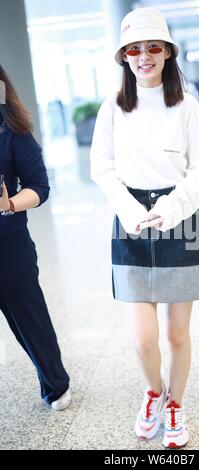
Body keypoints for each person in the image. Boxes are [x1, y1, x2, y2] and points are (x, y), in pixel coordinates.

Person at [90, 7, 199, 449]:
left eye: (153, 47)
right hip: (130, 223)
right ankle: (153, 393)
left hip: (180, 219)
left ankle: (176, 405)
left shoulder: (187, 105)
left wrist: (172, 207)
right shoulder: (113, 107)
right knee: (144, 340)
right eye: (135, 49)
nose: (144, 56)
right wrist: (130, 210)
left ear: (167, 53)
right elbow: (102, 170)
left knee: (176, 333)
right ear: (124, 56)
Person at [0, 64, 71, 411]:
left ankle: (55, 383)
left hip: (8, 246)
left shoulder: (13, 132)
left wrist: (9, 203)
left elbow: (39, 188)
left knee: (30, 320)